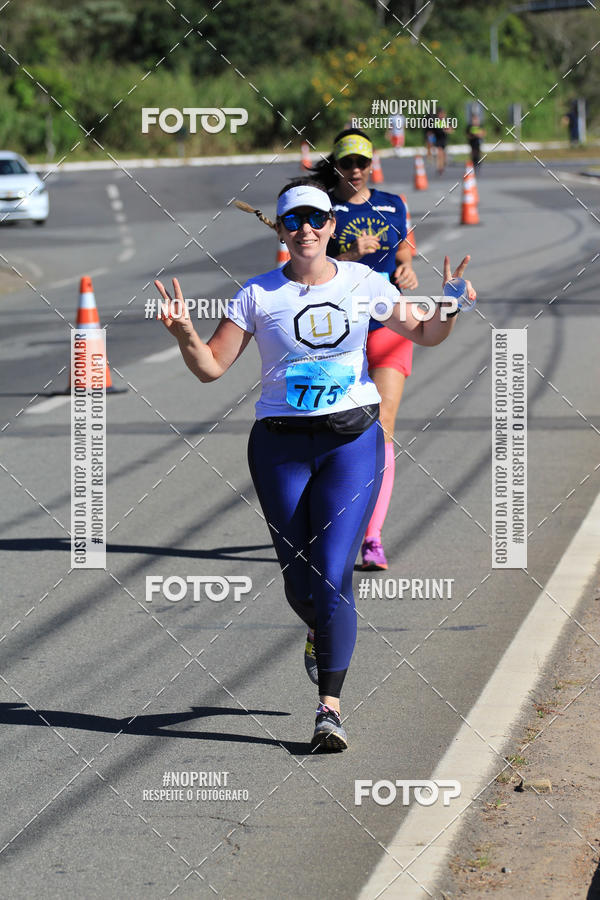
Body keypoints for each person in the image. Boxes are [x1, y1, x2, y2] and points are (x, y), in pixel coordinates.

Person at [154, 178, 475, 752]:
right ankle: (318, 628)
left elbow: (426, 334)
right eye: (293, 220)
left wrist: (448, 302)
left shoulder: (363, 282)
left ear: (331, 227)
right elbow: (210, 368)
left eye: (315, 219)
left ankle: (330, 708)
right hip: (279, 448)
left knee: (332, 572)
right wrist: (184, 335)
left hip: (351, 442)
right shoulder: (256, 295)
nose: (305, 229)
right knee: (302, 586)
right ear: (280, 230)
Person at [312, 128, 417, 570]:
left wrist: (407, 272)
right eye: (347, 163)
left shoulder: (393, 204)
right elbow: (310, 267)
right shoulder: (322, 210)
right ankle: (332, 516)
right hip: (340, 332)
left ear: (372, 164)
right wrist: (349, 254)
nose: (355, 170)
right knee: (332, 426)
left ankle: (371, 537)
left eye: (362, 162)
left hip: (390, 324)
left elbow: (406, 251)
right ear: (336, 165)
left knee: (384, 424)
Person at [433, 109, 453, 175]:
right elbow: (438, 130)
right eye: (440, 114)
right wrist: (445, 130)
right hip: (438, 139)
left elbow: (450, 129)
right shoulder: (437, 122)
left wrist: (449, 129)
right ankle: (439, 167)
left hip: (444, 139)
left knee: (443, 154)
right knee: (439, 153)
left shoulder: (446, 121)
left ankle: (442, 165)